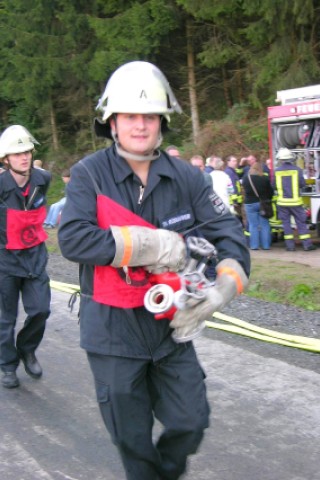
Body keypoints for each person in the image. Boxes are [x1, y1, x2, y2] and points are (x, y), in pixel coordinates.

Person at [58, 60, 250, 480]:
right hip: (111, 329)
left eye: (149, 116)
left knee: (190, 421)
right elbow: (73, 239)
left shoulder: (187, 178)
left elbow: (229, 236)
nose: (140, 125)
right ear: (111, 121)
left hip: (170, 327)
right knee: (131, 437)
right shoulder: (90, 174)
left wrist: (220, 292)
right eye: (130, 115)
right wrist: (153, 244)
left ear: (162, 121)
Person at [0, 125, 52, 389]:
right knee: (5, 318)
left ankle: (27, 349)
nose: (24, 157)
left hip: (34, 257)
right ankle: (8, 365)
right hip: (5, 261)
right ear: (6, 159)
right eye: (17, 153)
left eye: (27, 151)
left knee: (41, 309)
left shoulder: (44, 179)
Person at [273, 148, 316, 251]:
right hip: (296, 202)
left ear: (281, 159)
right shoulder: (297, 170)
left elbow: (273, 186)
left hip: (282, 203)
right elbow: (302, 184)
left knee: (286, 224)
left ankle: (290, 246)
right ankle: (306, 245)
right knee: (301, 222)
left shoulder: (277, 171)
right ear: (291, 158)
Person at [242, 161, 274, 250]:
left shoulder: (245, 178)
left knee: (253, 225)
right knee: (264, 224)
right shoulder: (264, 178)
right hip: (262, 203)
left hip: (249, 203)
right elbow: (270, 192)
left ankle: (254, 246)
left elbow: (244, 191)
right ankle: (266, 246)